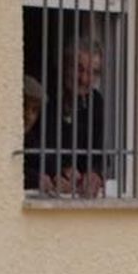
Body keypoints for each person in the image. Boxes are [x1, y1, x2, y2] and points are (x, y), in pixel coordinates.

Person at [41, 41, 107, 198]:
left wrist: (95, 173)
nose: (84, 79)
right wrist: (59, 169)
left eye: (93, 72)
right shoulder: (46, 95)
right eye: (79, 69)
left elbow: (100, 152)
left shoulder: (96, 101)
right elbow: (32, 145)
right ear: (64, 66)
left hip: (78, 194)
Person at [21, 75, 46, 191]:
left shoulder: (32, 139)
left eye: (35, 110)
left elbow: (44, 164)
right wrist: (36, 179)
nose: (28, 116)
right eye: (24, 106)